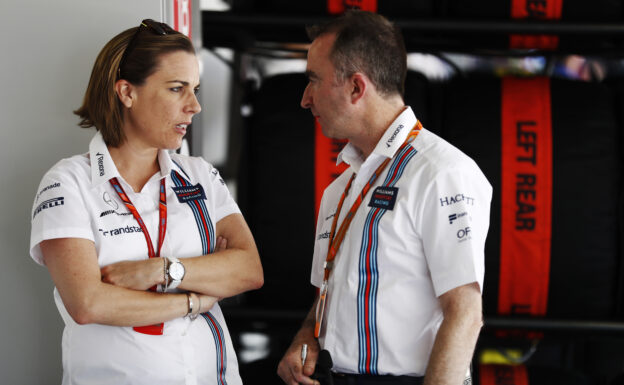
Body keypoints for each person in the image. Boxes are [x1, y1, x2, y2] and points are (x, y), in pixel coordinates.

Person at [29, 19, 263, 385]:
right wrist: (193, 300)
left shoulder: (199, 174)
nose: (195, 106)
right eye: (177, 89)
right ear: (127, 92)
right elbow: (89, 304)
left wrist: (161, 271)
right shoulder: (67, 182)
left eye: (195, 89)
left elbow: (248, 270)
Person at [277, 11, 492, 385]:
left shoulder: (442, 172)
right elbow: (329, 292)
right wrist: (304, 339)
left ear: (357, 88)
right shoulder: (340, 187)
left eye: (314, 80)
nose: (305, 99)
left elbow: (465, 313)